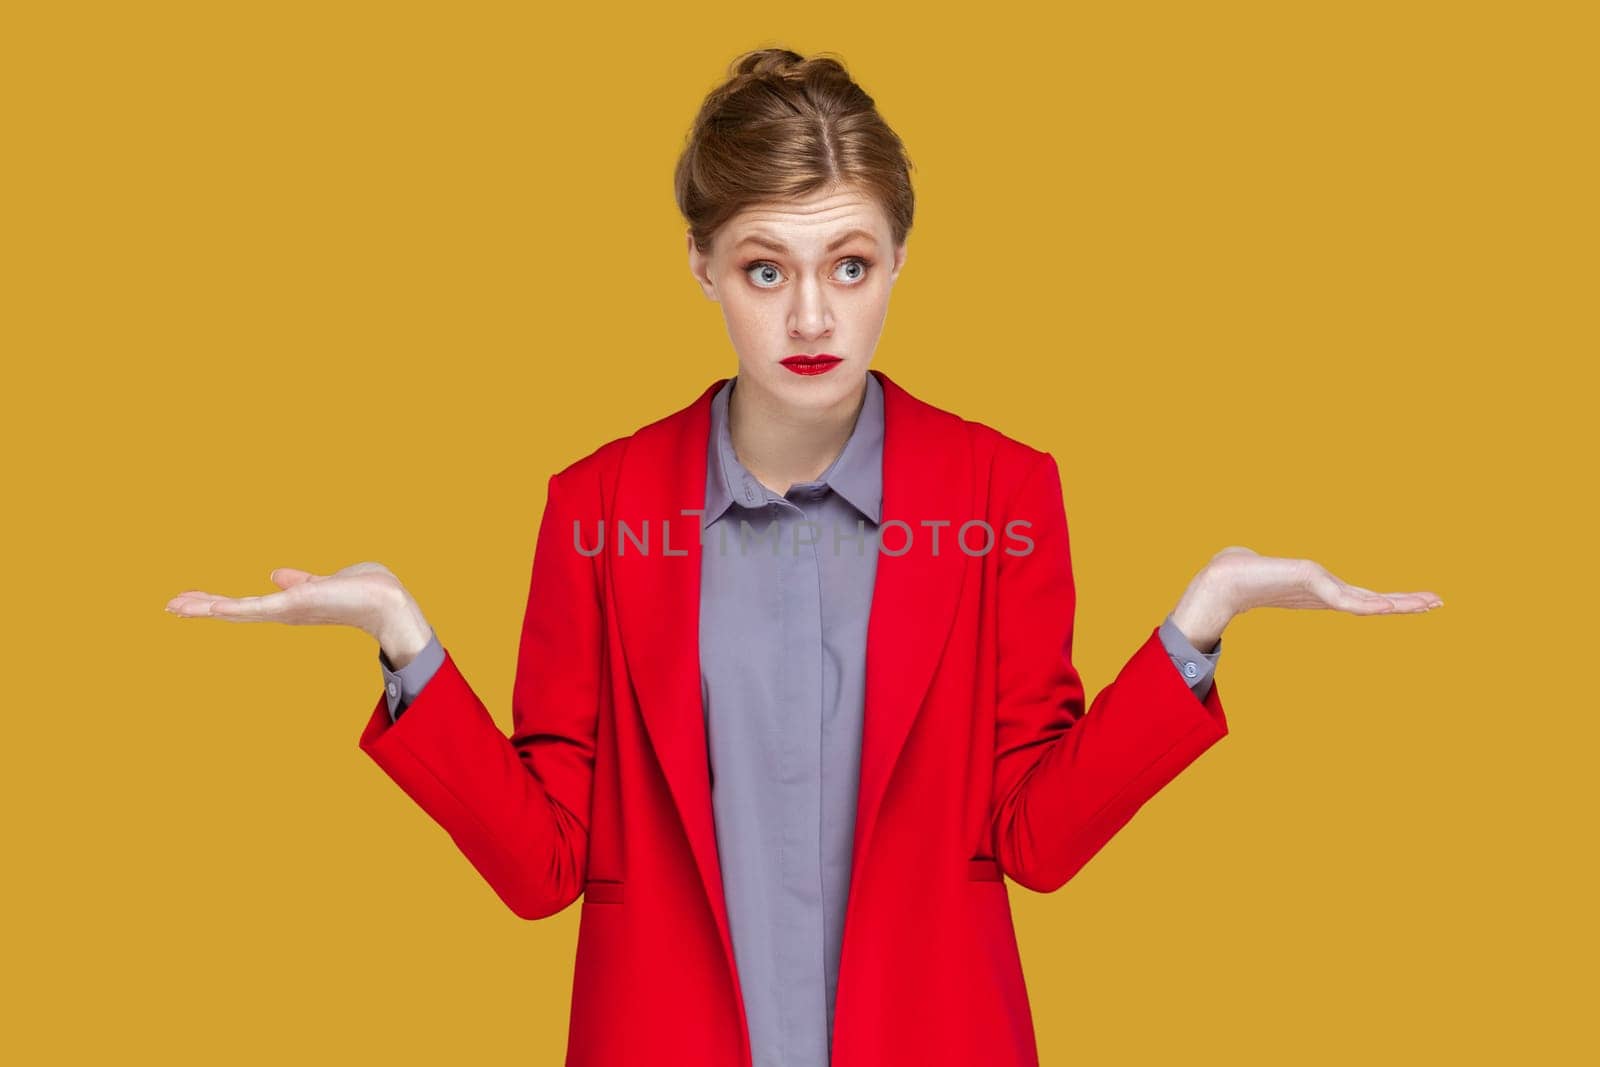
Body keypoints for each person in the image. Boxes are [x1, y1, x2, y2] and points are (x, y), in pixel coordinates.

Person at [166, 47, 1442, 1067]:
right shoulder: (595, 508)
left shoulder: (1003, 493)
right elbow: (545, 864)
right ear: (703, 267)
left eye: (850, 263)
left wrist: (1197, 628)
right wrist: (405, 643)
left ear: (898, 259)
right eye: (765, 267)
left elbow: (1036, 838)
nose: (813, 314)